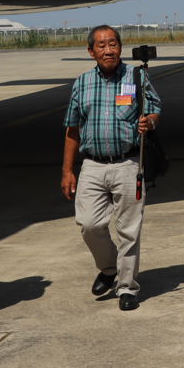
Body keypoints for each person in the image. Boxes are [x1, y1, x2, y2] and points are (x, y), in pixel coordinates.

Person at [60, 25, 160, 311]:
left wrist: (149, 121)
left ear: (120, 47)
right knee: (89, 224)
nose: (109, 50)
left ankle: (127, 287)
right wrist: (67, 170)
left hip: (128, 163)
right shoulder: (81, 83)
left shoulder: (136, 77)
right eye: (101, 45)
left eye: (113, 44)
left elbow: (155, 109)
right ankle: (108, 268)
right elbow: (72, 129)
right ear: (91, 51)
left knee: (129, 229)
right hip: (92, 164)